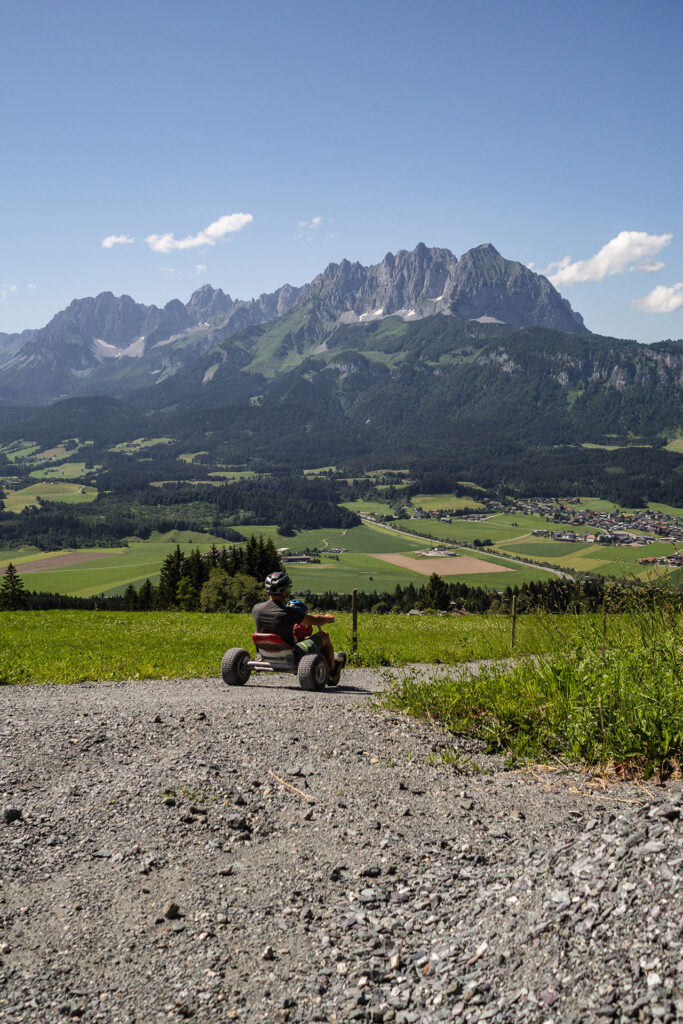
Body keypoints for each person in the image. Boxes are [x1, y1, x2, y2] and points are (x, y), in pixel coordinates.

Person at [252, 571, 345, 679]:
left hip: (264, 654)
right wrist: (328, 618)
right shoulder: (289, 612)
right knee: (324, 635)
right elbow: (315, 620)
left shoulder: (256, 609)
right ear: (284, 591)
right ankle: (332, 671)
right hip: (292, 656)